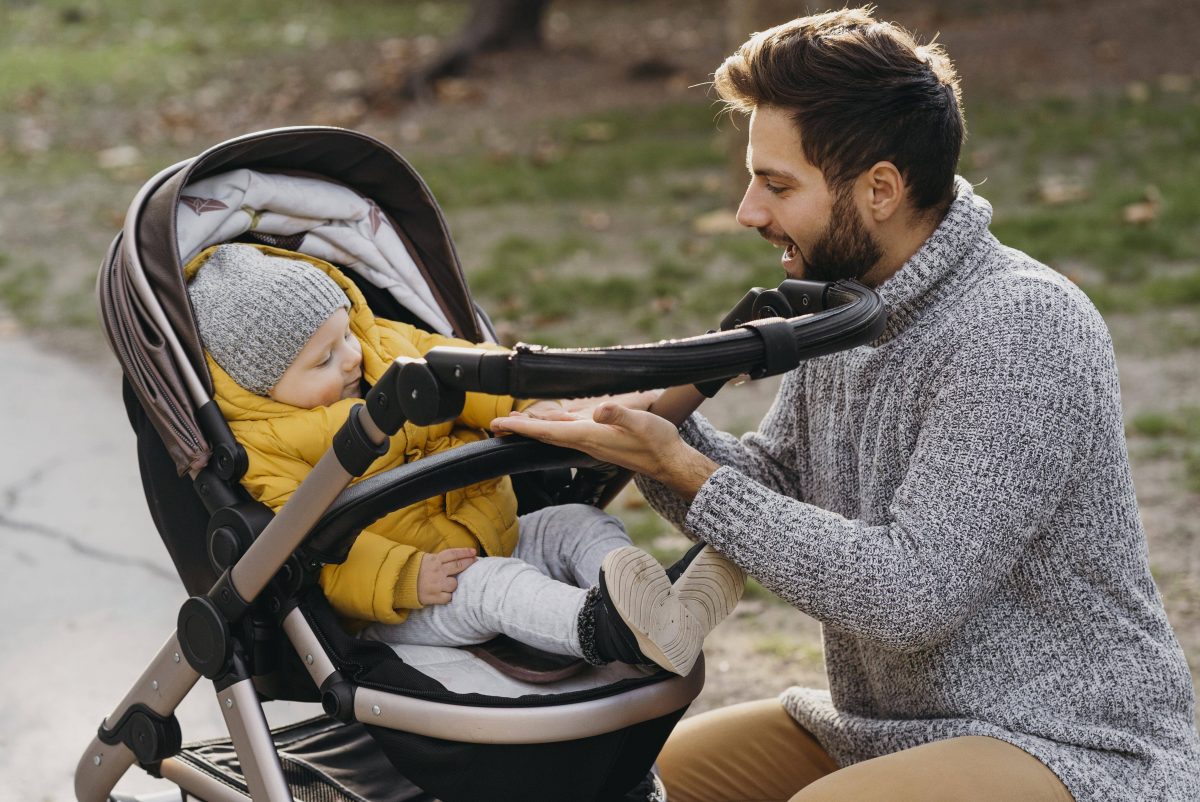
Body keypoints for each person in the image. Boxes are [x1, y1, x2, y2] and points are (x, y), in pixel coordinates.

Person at [490, 8, 1200, 801]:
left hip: (1074, 747)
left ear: (881, 190)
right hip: (878, 729)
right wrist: (648, 437)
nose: (748, 213)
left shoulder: (1022, 327)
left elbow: (910, 595)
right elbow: (780, 489)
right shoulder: (852, 306)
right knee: (632, 779)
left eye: (777, 184)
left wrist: (687, 470)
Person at [185, 241, 746, 676]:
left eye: (346, 335)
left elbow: (470, 371)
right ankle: (606, 629)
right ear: (264, 386)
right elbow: (307, 546)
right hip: (412, 595)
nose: (352, 357)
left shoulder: (383, 345)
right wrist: (405, 577)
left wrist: (533, 402)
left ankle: (659, 607)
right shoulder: (266, 446)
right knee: (495, 586)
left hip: (490, 529)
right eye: (324, 359)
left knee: (578, 523)